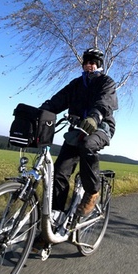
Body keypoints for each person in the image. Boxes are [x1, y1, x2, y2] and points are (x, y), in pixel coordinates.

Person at [39, 48, 118, 217]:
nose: (89, 65)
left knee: (87, 144)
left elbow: (105, 102)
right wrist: (40, 112)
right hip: (77, 130)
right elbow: (58, 100)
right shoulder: (76, 84)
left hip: (101, 127)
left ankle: (92, 191)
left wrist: (94, 117)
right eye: (87, 62)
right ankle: (54, 218)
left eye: (93, 63)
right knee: (59, 172)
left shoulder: (106, 82)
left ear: (99, 65)